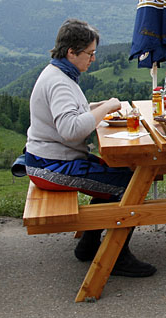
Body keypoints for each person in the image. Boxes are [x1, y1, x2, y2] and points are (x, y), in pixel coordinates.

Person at [25, 18, 156, 277]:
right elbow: (71, 129)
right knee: (132, 184)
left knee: (118, 174)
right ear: (71, 52)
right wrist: (107, 107)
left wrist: (98, 107)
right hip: (51, 166)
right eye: (90, 53)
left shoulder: (60, 73)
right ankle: (116, 256)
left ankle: (88, 245)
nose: (93, 59)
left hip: (49, 159)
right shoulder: (60, 82)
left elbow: (74, 114)